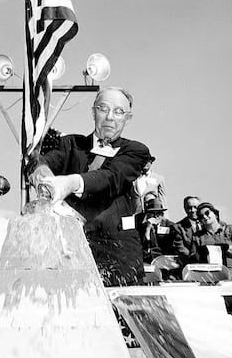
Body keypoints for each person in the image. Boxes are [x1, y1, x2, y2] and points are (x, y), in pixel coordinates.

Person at [30, 86, 151, 287]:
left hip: (118, 258)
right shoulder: (70, 144)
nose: (110, 117)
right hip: (68, 254)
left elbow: (110, 178)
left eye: (119, 111)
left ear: (127, 118)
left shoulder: (135, 150)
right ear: (93, 111)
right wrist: (46, 179)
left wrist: (68, 183)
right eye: (103, 108)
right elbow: (37, 161)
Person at [191, 202, 232, 280]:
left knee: (227, 278)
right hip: (208, 270)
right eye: (201, 216)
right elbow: (192, 258)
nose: (204, 216)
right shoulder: (197, 236)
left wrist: (227, 248)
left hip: (231, 269)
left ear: (216, 214)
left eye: (207, 213)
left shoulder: (231, 229)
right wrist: (201, 254)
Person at [135, 194, 178, 263]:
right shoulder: (142, 227)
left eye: (158, 213)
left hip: (165, 260)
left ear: (162, 214)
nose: (155, 216)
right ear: (148, 214)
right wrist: (148, 229)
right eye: (152, 213)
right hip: (147, 260)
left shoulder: (171, 226)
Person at [172, 196, 201, 264]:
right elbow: (180, 247)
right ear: (185, 209)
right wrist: (194, 258)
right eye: (189, 208)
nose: (193, 210)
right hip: (188, 262)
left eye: (195, 207)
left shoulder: (207, 223)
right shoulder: (178, 227)